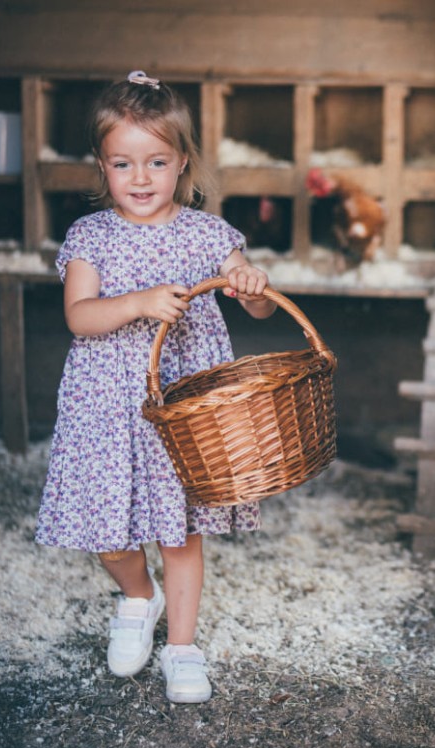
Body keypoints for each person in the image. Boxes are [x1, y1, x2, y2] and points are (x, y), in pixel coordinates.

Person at [36, 71, 276, 704]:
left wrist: (252, 284)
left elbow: (258, 307)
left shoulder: (206, 234)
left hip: (179, 413)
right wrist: (138, 301)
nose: (139, 178)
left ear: (182, 163)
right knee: (109, 535)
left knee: (180, 532)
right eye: (123, 163)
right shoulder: (90, 237)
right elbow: (79, 316)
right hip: (107, 408)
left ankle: (182, 647)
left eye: (156, 162)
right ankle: (138, 597)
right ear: (102, 165)